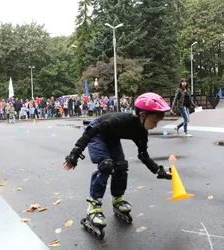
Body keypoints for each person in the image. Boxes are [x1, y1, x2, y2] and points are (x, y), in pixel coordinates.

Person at [62, 92, 172, 239]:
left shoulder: (142, 133)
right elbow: (90, 132)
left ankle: (117, 199)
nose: (154, 126)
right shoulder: (120, 120)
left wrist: (159, 171)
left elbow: (143, 155)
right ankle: (93, 207)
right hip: (97, 135)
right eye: (154, 122)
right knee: (106, 165)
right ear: (143, 116)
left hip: (112, 138)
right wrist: (75, 153)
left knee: (121, 165)